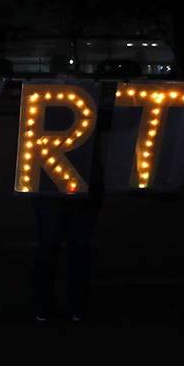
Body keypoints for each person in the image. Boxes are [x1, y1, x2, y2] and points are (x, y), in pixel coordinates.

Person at [32, 97, 110, 323]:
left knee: (60, 248)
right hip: (67, 186)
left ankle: (52, 307)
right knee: (70, 249)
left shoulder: (42, 97)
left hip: (58, 186)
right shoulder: (89, 96)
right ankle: (68, 307)